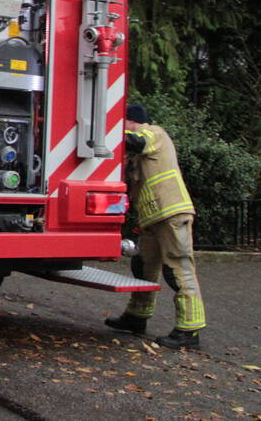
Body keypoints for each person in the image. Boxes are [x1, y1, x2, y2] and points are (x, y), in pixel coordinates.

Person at [105, 104, 206, 349]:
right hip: (153, 218)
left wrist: (107, 132)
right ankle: (137, 317)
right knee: (143, 267)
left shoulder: (154, 133)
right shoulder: (141, 154)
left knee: (178, 269)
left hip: (171, 213)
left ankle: (189, 330)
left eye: (123, 123)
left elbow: (136, 141)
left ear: (131, 122)